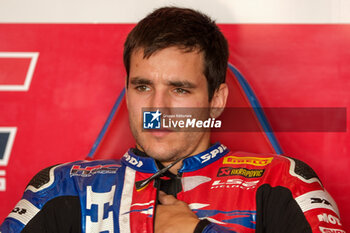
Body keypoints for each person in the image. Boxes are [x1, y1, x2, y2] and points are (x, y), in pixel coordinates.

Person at [0, 6, 345, 233]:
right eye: (143, 86)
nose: (157, 107)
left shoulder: (280, 182)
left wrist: (198, 232)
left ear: (216, 101)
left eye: (179, 89)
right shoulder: (64, 188)